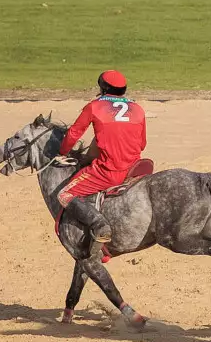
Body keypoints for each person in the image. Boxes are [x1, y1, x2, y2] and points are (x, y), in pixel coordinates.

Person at [55, 70, 148, 261]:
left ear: (102, 87)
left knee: (64, 194)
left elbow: (73, 134)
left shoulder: (95, 106)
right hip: (135, 169)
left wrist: (62, 153)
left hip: (109, 172)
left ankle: (99, 225)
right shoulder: (137, 108)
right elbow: (142, 144)